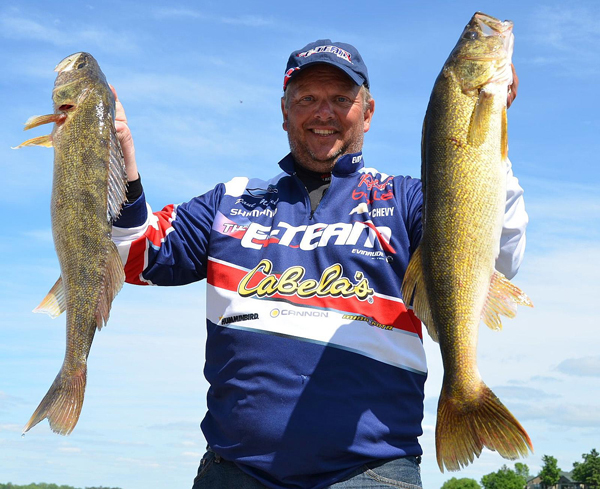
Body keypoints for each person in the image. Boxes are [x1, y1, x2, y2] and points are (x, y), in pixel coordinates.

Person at [111, 39, 527, 489]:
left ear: (367, 112)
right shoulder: (229, 201)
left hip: (372, 472)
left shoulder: (407, 200)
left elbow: (501, 255)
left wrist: (487, 129)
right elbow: (133, 256)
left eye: (340, 99)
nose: (322, 112)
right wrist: (116, 157)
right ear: (285, 112)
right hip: (233, 471)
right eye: (307, 98)